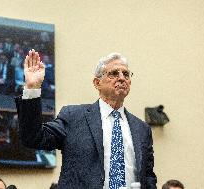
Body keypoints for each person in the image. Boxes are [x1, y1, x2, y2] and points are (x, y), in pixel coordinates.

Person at [15, 49, 157, 189]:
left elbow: (148, 177)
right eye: (114, 73)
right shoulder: (74, 116)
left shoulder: (142, 128)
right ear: (97, 83)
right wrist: (32, 89)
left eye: (126, 74)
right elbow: (33, 137)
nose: (121, 78)